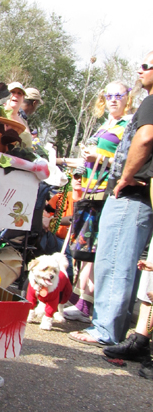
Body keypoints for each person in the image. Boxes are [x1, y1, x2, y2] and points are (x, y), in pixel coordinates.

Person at [68, 57, 153, 346]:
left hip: (130, 194)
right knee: (115, 260)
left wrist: (126, 176)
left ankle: (105, 329)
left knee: (114, 261)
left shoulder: (150, 104)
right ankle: (108, 326)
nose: (140, 69)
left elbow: (145, 138)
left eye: (147, 65)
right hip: (128, 194)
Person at [63, 81, 133, 322]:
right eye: (109, 95)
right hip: (89, 188)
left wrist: (101, 156)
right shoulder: (105, 125)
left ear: (127, 97)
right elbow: (89, 158)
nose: (113, 99)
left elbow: (128, 160)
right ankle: (78, 296)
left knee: (93, 245)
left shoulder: (128, 125)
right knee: (83, 243)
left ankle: (87, 302)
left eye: (119, 95)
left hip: (106, 190)